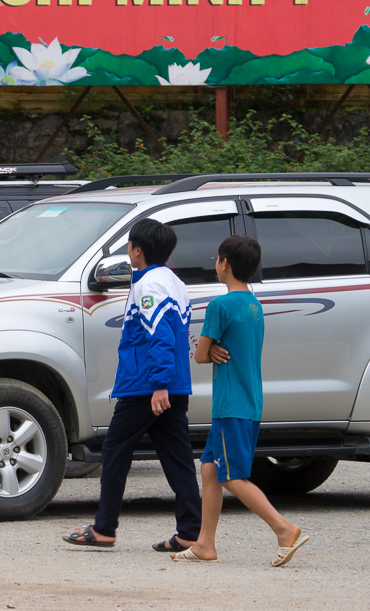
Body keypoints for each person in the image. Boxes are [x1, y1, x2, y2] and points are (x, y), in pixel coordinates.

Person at [64, 218, 202, 552]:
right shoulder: (174, 281)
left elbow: (161, 336)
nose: (128, 251)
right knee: (177, 458)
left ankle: (104, 528)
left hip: (146, 387)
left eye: (129, 245)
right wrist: (168, 384)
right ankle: (189, 532)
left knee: (114, 452)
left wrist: (158, 385)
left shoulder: (148, 285)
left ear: (137, 250)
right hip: (173, 385)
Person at [173, 234, 307, 566]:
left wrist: (210, 349)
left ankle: (284, 528)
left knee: (231, 475)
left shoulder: (220, 305)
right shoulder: (252, 303)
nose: (215, 264)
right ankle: (205, 544)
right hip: (248, 401)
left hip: (230, 405)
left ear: (225, 263)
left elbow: (201, 355)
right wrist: (216, 348)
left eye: (217, 259)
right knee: (208, 468)